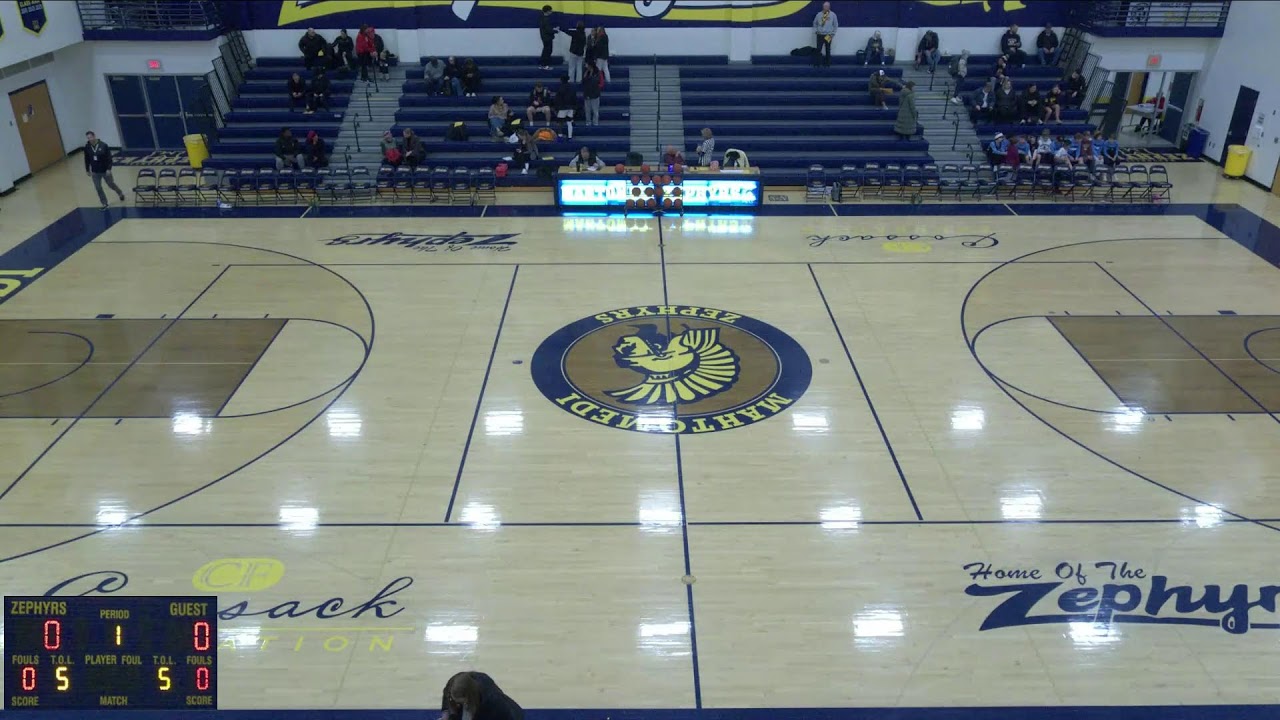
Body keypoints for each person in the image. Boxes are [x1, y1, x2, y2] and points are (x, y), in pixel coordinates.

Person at [440, 672, 522, 720]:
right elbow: (446, 696)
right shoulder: (454, 683)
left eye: (460, 701)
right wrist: (446, 713)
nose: (457, 703)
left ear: (469, 696)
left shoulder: (493, 701)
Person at [83, 131, 126, 209]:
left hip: (105, 170)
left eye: (91, 137)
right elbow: (86, 159)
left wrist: (109, 169)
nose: (90, 139)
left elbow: (109, 158)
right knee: (98, 187)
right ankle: (104, 203)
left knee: (111, 184)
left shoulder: (103, 145)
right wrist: (87, 169)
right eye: (88, 138)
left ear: (94, 136)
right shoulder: (87, 147)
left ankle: (120, 193)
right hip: (95, 172)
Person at [812, 2, 837, 68]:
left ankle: (827, 63)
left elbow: (835, 25)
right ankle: (817, 64)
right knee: (818, 49)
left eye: (827, 6)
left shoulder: (833, 15)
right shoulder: (819, 15)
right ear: (823, 7)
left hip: (828, 35)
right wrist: (816, 31)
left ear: (829, 7)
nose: (826, 7)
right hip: (820, 34)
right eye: (825, 6)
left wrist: (832, 34)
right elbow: (814, 23)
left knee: (828, 49)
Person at [553, 75, 576, 139]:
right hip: (570, 107)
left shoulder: (561, 88)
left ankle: (560, 136)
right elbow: (574, 98)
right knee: (569, 122)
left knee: (560, 122)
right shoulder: (572, 87)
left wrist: (556, 108)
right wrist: (574, 107)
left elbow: (558, 99)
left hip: (562, 107)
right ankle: (570, 136)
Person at [582, 61, 603, 126]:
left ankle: (595, 122)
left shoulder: (598, 73)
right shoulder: (586, 72)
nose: (586, 66)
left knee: (595, 110)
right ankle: (588, 122)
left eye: (587, 65)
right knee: (587, 110)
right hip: (587, 94)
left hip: (595, 94)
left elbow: (600, 83)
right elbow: (583, 81)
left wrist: (597, 89)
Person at [538, 5, 557, 70]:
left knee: (545, 51)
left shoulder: (542, 18)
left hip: (544, 37)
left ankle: (542, 64)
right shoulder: (546, 19)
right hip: (547, 38)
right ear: (547, 11)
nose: (551, 11)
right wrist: (556, 31)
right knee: (548, 51)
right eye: (550, 10)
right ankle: (545, 65)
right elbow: (548, 30)